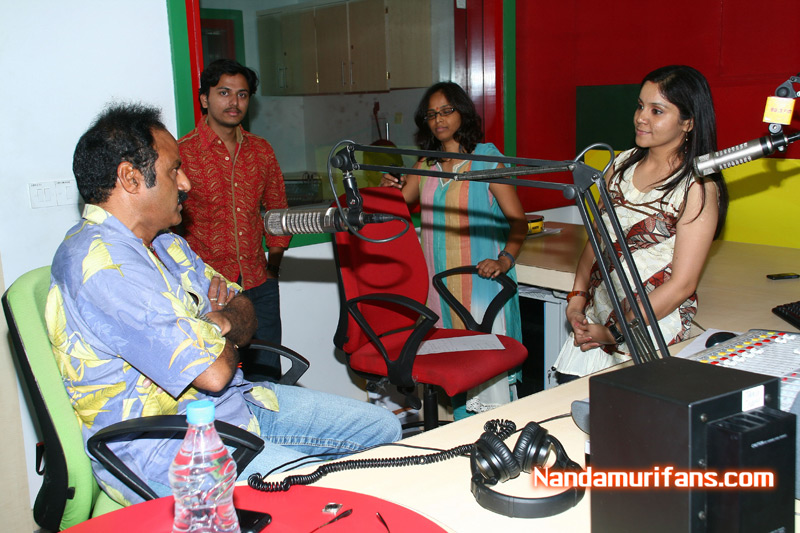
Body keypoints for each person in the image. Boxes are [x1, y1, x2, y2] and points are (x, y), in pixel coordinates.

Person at [45, 103, 402, 506]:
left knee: (383, 429)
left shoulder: (167, 244)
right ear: (131, 178)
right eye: (173, 171)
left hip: (236, 408)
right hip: (170, 447)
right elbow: (213, 373)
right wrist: (219, 326)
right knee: (320, 496)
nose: (186, 183)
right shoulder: (103, 265)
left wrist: (219, 324)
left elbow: (244, 306)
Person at [552, 65, 729, 382]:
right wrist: (577, 299)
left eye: (656, 111)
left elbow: (682, 284)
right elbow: (597, 240)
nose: (640, 118)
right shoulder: (619, 165)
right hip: (598, 321)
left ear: (688, 122)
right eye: (640, 106)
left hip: (648, 333)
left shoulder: (698, 186)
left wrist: (615, 332)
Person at [381, 82, 528, 416]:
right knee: (452, 368)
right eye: (432, 114)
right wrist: (386, 188)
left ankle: (488, 436)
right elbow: (397, 204)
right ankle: (461, 434)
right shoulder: (425, 165)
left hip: (479, 284)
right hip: (439, 288)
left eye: (446, 111)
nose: (439, 120)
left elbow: (518, 222)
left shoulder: (486, 161)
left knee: (483, 373)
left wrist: (504, 261)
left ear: (463, 113)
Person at [178, 59, 287, 380]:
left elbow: (278, 211)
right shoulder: (183, 154)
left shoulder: (261, 151)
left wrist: (273, 266)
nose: (234, 102)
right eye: (224, 93)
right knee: (217, 378)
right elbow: (169, 225)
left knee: (268, 375)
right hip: (208, 291)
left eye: (242, 95)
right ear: (204, 99)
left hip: (259, 284)